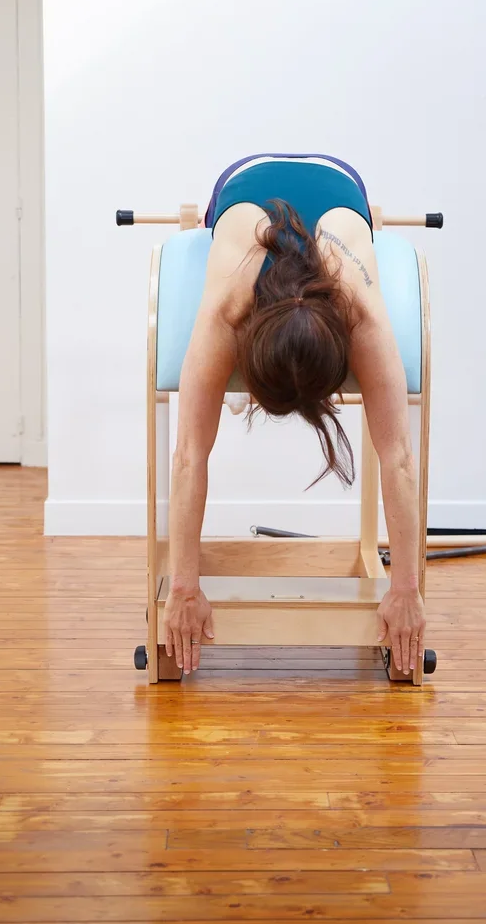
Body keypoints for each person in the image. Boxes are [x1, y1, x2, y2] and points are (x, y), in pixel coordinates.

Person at [162, 154, 426, 675]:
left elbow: (397, 457)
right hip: (244, 184)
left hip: (341, 188)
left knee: (350, 235)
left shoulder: (363, 314)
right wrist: (183, 587)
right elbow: (190, 455)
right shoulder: (226, 310)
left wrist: (407, 590)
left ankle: (365, 217)